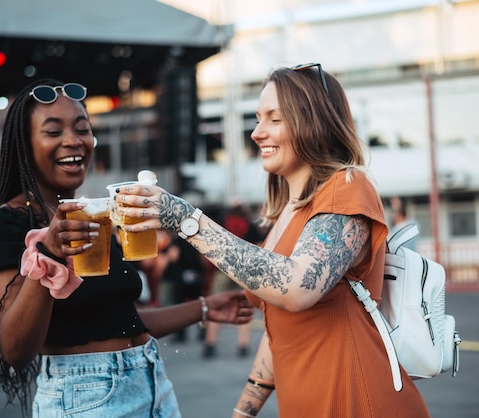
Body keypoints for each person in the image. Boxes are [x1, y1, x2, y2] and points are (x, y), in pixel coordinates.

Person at [116, 63, 431, 417]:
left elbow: (297, 288)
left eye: (274, 119)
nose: (256, 132)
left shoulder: (347, 188)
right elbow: (278, 325)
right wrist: (245, 410)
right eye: (256, 118)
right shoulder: (290, 211)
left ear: (314, 122)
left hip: (355, 398)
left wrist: (185, 219)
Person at [0, 79, 254, 417]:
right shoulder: (9, 224)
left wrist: (204, 308)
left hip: (152, 384)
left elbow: (120, 324)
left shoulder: (94, 215)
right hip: (86, 397)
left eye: (82, 129)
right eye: (54, 131)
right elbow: (14, 350)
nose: (73, 141)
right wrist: (49, 253)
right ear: (25, 145)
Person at [203, 204, 263, 359]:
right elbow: (258, 246)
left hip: (222, 269)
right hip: (243, 271)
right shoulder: (250, 225)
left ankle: (210, 343)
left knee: (215, 306)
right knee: (243, 306)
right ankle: (243, 345)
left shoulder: (221, 221)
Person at [160, 233, 207, 342]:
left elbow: (174, 256)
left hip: (180, 277)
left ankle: (180, 333)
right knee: (199, 305)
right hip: (195, 276)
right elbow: (202, 259)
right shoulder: (196, 241)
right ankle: (202, 331)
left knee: (179, 306)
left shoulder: (176, 241)